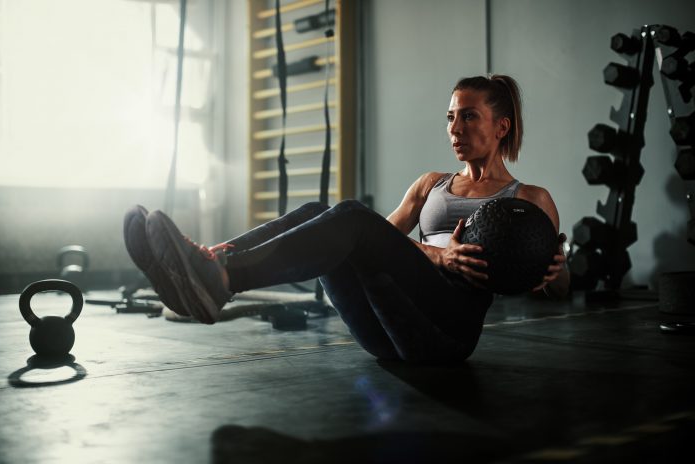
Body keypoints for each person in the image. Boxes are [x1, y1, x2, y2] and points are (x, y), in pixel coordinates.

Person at [124, 74, 569, 363]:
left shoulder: (529, 199)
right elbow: (380, 242)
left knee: (352, 217)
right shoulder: (430, 184)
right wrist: (436, 255)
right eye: (451, 117)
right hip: (384, 330)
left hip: (445, 334)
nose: (454, 129)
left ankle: (219, 278)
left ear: (502, 127)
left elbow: (559, 289)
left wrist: (557, 269)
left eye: (469, 117)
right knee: (328, 216)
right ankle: (212, 263)